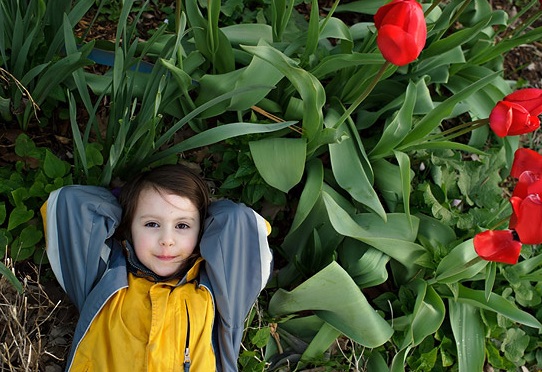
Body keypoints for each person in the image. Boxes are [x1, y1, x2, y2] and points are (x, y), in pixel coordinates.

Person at [41, 164, 273, 371]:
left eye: (182, 225)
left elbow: (238, 220)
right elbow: (71, 203)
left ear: (201, 231)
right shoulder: (104, 279)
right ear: (130, 227)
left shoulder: (217, 293)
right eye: (151, 224)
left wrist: (206, 210)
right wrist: (126, 203)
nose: (167, 239)